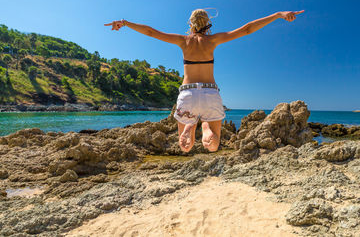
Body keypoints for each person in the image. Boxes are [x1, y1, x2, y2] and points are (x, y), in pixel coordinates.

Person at [104, 9, 304, 153]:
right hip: (210, 92)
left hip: (188, 93)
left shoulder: (183, 41)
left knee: (185, 147)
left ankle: (191, 125)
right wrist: (278, 14)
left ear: (190, 24)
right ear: (208, 24)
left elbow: (151, 32)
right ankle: (205, 127)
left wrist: (125, 22)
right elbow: (247, 29)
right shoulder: (213, 40)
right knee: (213, 146)